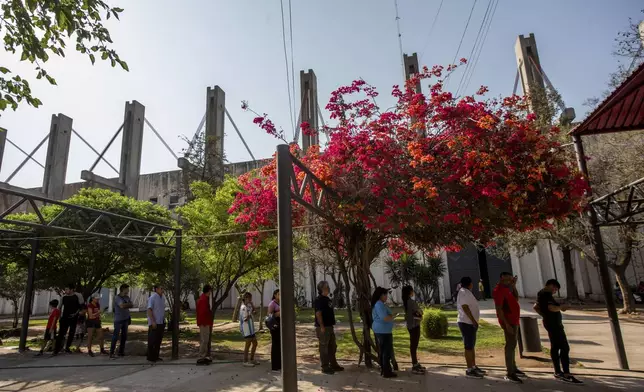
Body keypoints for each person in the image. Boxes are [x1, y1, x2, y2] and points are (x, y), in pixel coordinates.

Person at [534, 279, 583, 384]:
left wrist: (544, 315)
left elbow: (536, 307)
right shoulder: (545, 294)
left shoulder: (541, 294)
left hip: (550, 323)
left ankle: (558, 371)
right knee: (565, 347)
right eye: (555, 289)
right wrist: (561, 308)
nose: (555, 291)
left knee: (555, 347)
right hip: (554, 325)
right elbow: (551, 308)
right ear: (551, 285)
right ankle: (566, 374)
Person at [493, 272, 526, 383]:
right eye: (506, 280)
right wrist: (506, 324)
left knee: (513, 344)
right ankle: (510, 372)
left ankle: (513, 367)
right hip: (509, 321)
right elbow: (499, 308)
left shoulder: (507, 289)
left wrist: (514, 286)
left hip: (514, 320)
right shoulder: (498, 291)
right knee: (510, 345)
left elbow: (516, 298)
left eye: (510, 280)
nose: (508, 282)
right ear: (501, 279)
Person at [457, 277, 485, 378]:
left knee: (471, 346)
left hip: (470, 323)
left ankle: (473, 366)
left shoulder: (466, 292)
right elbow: (465, 307)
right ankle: (469, 370)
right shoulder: (463, 292)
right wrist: (473, 320)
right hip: (466, 323)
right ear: (470, 284)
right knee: (468, 347)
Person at [314, 281, 344, 375]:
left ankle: (333, 364)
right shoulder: (319, 300)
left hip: (329, 326)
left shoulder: (327, 299)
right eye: (327, 287)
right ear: (322, 289)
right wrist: (322, 326)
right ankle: (325, 366)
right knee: (324, 347)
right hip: (323, 327)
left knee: (332, 347)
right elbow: (318, 314)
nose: (328, 288)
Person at [372, 287, 396, 379]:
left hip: (384, 330)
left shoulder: (381, 304)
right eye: (385, 294)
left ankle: (384, 369)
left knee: (384, 351)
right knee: (386, 351)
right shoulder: (379, 304)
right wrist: (391, 316)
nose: (386, 296)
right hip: (383, 331)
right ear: (381, 295)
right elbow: (384, 317)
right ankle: (386, 371)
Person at [401, 285, 424, 374]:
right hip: (415, 325)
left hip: (410, 325)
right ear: (410, 292)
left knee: (413, 345)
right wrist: (421, 312)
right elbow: (418, 311)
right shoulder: (411, 302)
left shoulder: (405, 302)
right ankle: (414, 364)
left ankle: (415, 362)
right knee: (414, 345)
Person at [54, 283, 81, 355]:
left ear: (71, 290)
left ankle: (67, 347)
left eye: (67, 289)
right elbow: (59, 308)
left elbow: (80, 307)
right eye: (65, 289)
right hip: (64, 318)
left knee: (71, 333)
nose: (65, 291)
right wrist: (59, 317)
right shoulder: (63, 297)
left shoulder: (77, 296)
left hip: (73, 318)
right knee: (61, 334)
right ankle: (56, 349)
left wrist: (75, 314)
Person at [110, 284, 133, 359]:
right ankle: (112, 352)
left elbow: (131, 304)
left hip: (126, 319)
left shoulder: (127, 297)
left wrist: (127, 305)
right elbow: (121, 306)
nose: (128, 291)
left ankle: (121, 352)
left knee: (124, 336)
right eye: (127, 289)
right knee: (115, 336)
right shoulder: (117, 297)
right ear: (123, 289)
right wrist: (127, 305)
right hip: (118, 319)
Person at [146, 285, 166, 363]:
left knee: (158, 340)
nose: (162, 290)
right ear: (157, 289)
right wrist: (153, 321)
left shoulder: (162, 298)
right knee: (152, 340)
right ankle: (150, 357)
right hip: (154, 322)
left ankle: (156, 356)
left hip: (161, 322)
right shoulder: (153, 298)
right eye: (161, 288)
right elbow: (149, 310)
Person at [239, 292, 259, 367]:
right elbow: (245, 319)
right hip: (246, 328)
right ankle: (245, 360)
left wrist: (252, 306)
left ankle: (252, 359)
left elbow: (254, 311)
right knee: (248, 344)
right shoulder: (243, 307)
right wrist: (250, 313)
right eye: (249, 298)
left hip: (251, 329)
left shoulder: (248, 305)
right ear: (246, 298)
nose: (250, 300)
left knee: (255, 343)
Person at [196, 284, 213, 364]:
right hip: (204, 323)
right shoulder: (203, 300)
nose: (210, 292)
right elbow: (202, 313)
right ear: (208, 291)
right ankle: (201, 357)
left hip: (206, 322)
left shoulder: (205, 298)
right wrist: (205, 323)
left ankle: (204, 356)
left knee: (206, 340)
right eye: (210, 291)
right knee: (204, 340)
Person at [267, 289, 281, 372]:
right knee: (275, 345)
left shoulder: (281, 302)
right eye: (278, 294)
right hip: (274, 326)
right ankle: (275, 366)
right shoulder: (272, 303)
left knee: (280, 345)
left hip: (281, 326)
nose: (280, 295)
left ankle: (280, 364)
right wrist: (277, 314)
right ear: (275, 295)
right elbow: (269, 315)